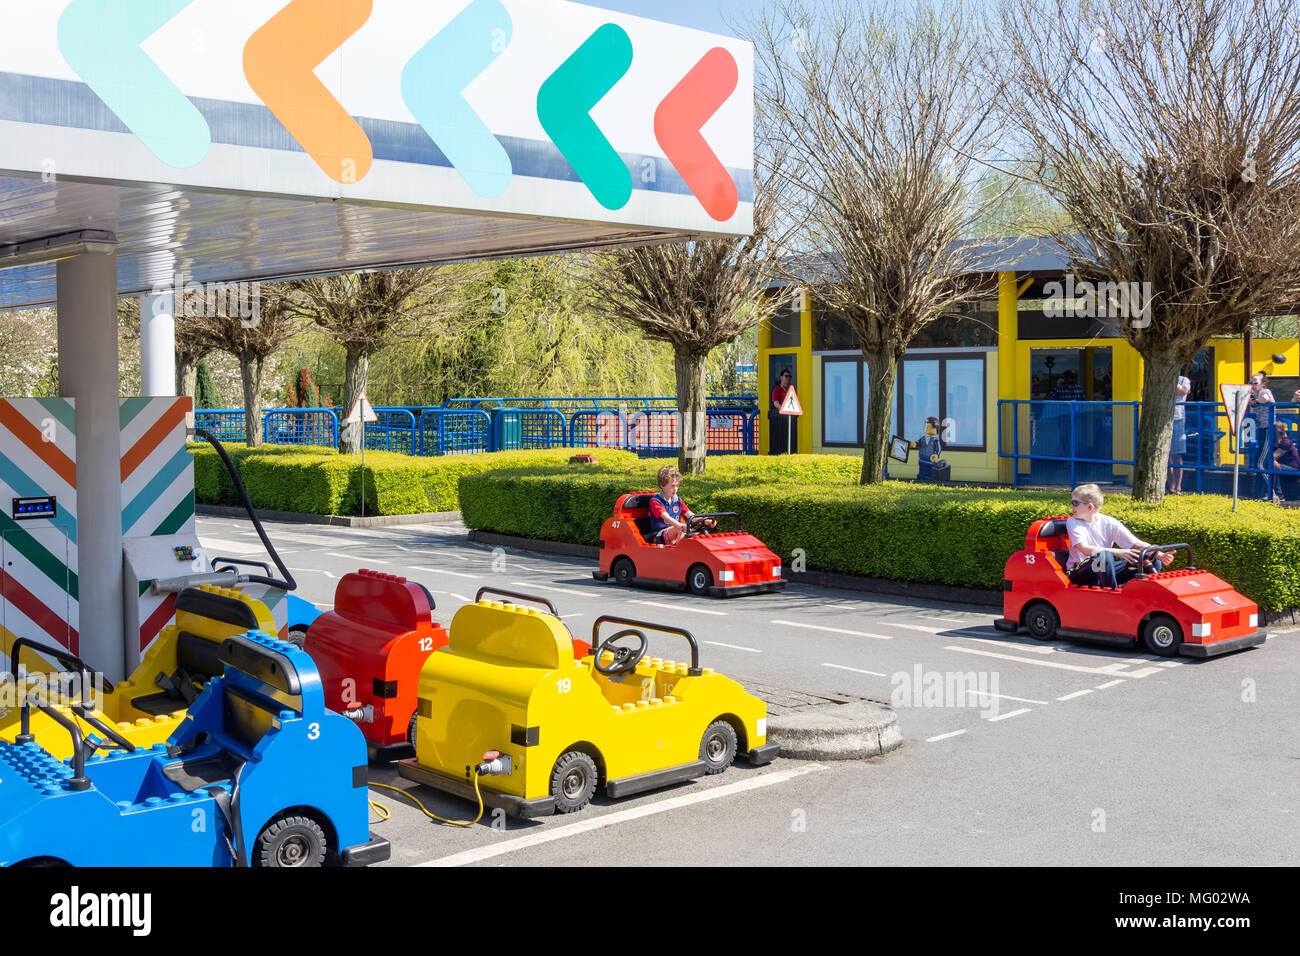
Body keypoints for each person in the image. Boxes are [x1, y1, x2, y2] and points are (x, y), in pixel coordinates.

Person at [1064, 483, 1174, 588]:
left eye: (1075, 503)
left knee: (1150, 556)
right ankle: (1111, 594)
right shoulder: (1073, 522)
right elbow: (1085, 549)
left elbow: (1135, 543)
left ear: (1089, 507)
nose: (1071, 507)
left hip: (1104, 570)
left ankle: (1149, 592)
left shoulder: (1109, 522)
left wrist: (1158, 553)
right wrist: (1118, 552)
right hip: (1079, 572)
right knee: (1104, 556)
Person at [647, 465, 713, 546]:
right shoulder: (655, 501)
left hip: (676, 532)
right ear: (662, 485)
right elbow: (667, 518)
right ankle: (677, 552)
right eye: (672, 486)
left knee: (697, 533)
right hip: (659, 535)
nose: (675, 489)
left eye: (677, 485)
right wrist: (681, 527)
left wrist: (705, 521)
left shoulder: (677, 500)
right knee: (680, 528)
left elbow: (691, 516)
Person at [1168, 371, 1191, 494]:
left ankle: (1178, 487)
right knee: (1165, 456)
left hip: (1178, 418)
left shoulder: (1184, 380)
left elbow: (1184, 391)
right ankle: (1170, 486)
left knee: (1176, 454)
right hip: (1163, 418)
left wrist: (1170, 382)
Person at [769, 367, 795, 454]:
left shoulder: (790, 389)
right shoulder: (777, 390)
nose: (788, 378)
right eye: (786, 376)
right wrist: (784, 410)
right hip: (780, 419)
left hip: (789, 418)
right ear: (781, 377)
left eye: (790, 377)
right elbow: (776, 403)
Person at [1271, 421, 1299, 503]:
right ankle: (1276, 491)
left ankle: (1279, 493)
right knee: (1272, 465)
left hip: (1294, 468)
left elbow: (1274, 456)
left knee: (1272, 464)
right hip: (1285, 467)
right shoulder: (1278, 443)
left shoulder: (1286, 441)